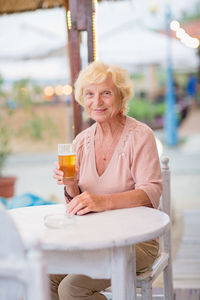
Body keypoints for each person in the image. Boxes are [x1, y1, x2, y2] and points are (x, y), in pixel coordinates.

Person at [51, 61, 162, 300]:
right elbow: (76, 203)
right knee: (45, 277)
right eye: (90, 94)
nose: (97, 101)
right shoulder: (81, 141)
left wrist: (102, 201)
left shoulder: (140, 136)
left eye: (106, 93)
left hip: (136, 241)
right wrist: (71, 183)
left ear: (121, 97)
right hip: (92, 239)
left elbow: (150, 193)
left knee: (71, 289)